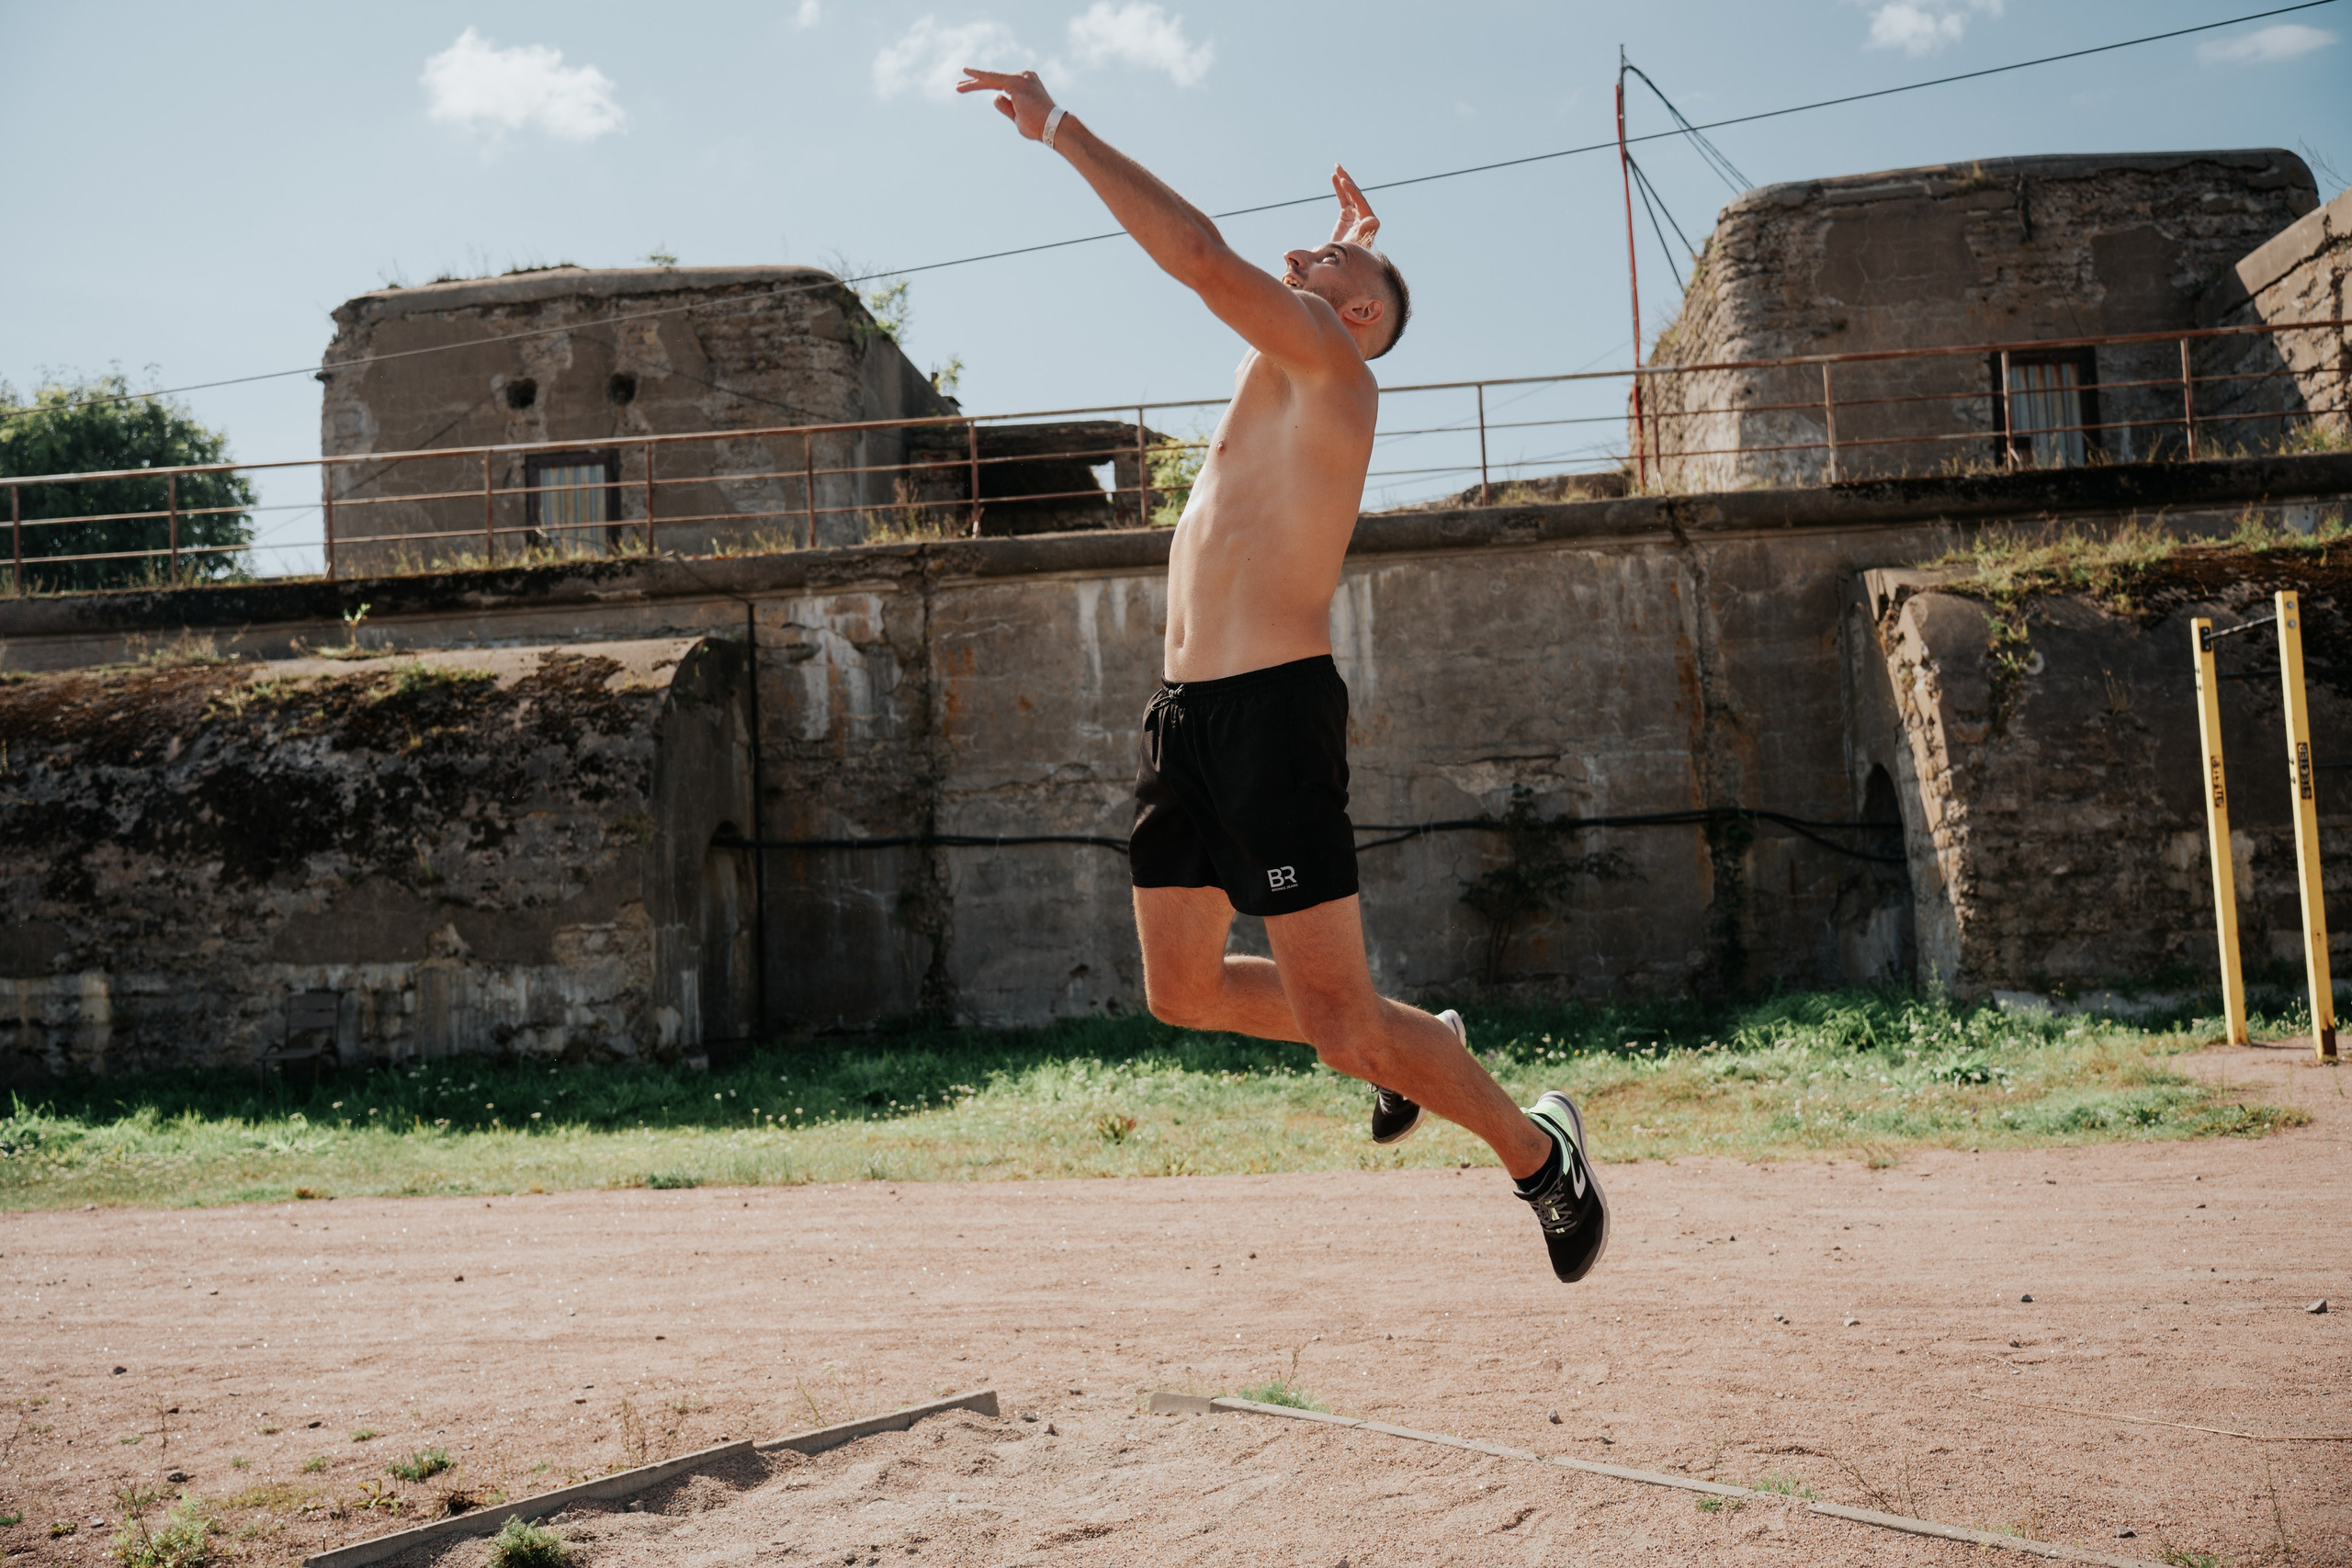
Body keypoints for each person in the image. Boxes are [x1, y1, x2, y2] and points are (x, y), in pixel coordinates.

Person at [958, 67, 1608, 1282]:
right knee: (1183, 988)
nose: (1304, 253)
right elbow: (1286, 290)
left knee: (1338, 1022)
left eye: (1334, 265)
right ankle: (1424, 1043)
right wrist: (1354, 246)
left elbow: (1202, 258)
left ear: (1359, 318)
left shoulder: (1331, 363)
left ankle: (1539, 1153)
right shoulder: (1292, 368)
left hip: (1271, 716)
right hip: (1187, 720)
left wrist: (1062, 131)